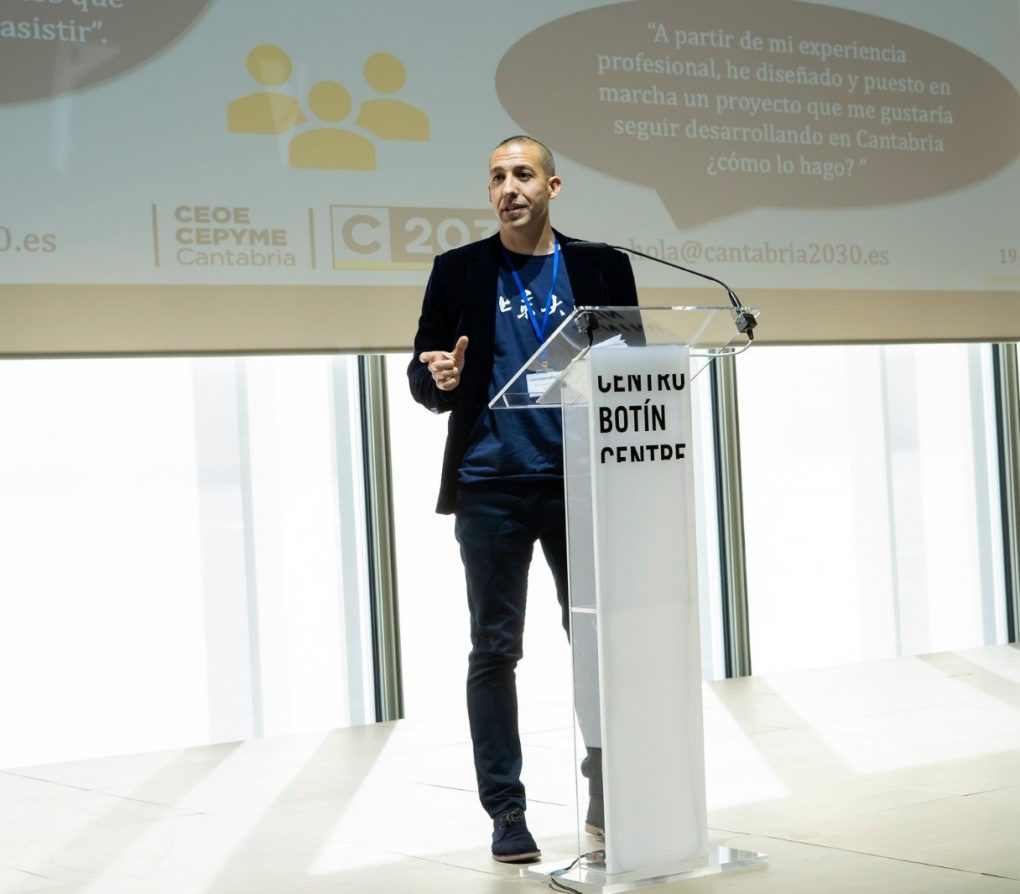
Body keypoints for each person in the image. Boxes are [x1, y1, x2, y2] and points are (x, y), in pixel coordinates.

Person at [407, 135, 638, 863]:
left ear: (554, 186)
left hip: (581, 483)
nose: (508, 187)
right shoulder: (459, 271)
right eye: (496, 177)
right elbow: (425, 373)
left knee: (597, 647)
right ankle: (507, 813)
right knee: (495, 650)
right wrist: (437, 378)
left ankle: (606, 800)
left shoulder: (602, 266)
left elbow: (631, 372)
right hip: (490, 488)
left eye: (523, 174)